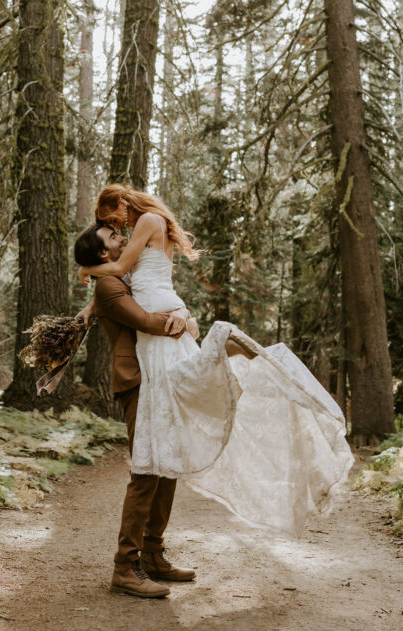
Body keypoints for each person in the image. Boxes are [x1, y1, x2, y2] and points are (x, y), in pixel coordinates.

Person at [77, 184, 354, 539]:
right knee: (176, 407)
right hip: (155, 327)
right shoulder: (135, 247)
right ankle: (222, 352)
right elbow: (120, 284)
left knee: (179, 398)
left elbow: (120, 269)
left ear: (119, 204)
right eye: (110, 230)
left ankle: (223, 346)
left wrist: (85, 271)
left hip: (160, 317)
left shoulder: (145, 221)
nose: (117, 231)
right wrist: (92, 303)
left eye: (111, 221)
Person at [73, 221, 198, 600]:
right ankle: (125, 566)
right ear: (102, 254)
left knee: (167, 465)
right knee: (146, 469)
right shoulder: (110, 287)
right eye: (113, 238)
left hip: (157, 377)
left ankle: (154, 555)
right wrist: (180, 322)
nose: (122, 239)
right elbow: (145, 322)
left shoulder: (122, 278)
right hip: (137, 381)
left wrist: (186, 318)